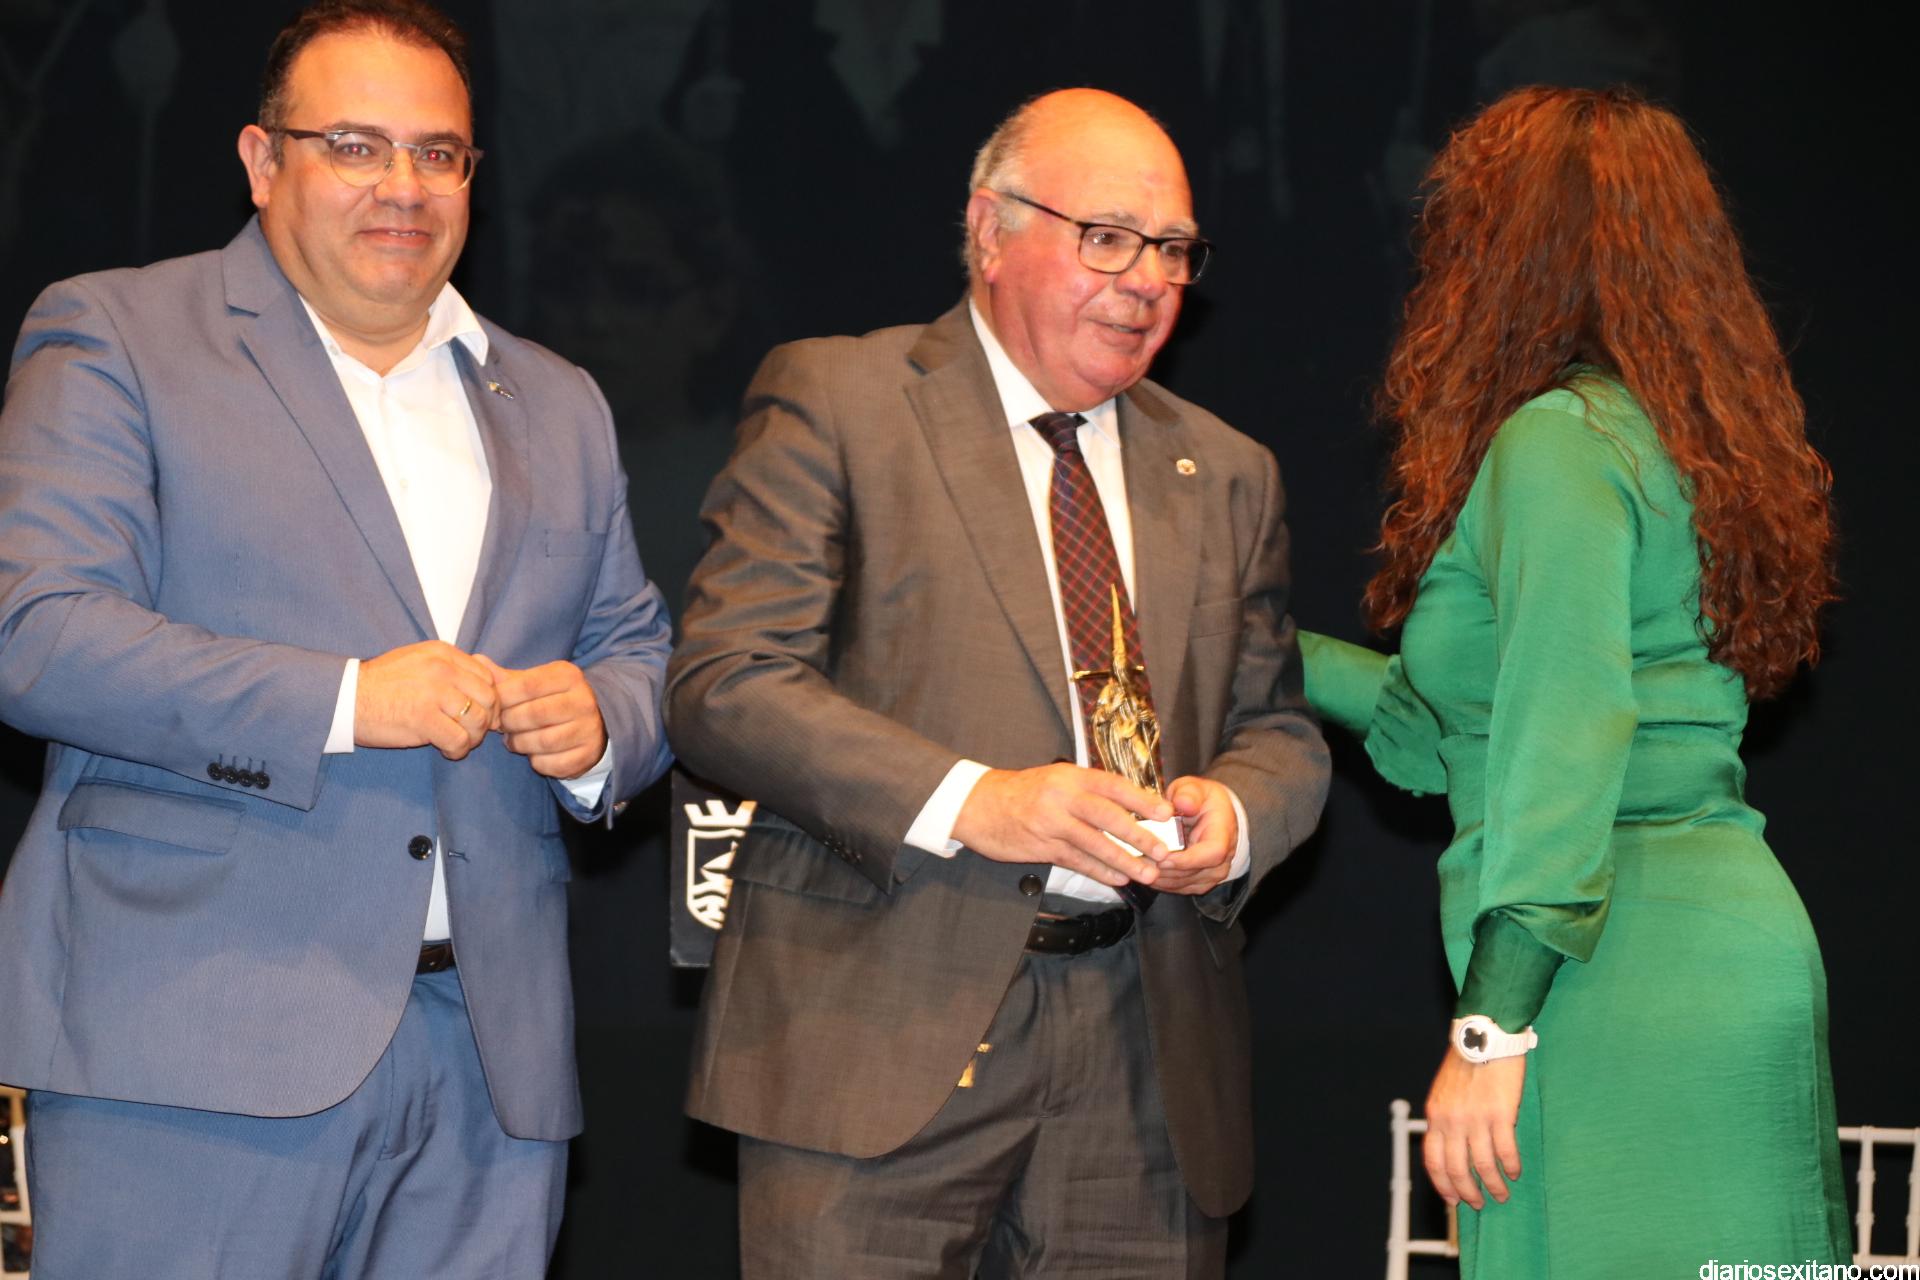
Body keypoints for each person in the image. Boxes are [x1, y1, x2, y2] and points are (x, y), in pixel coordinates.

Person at [0, 2, 673, 1276]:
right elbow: (37, 633)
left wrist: (602, 727)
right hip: (194, 1035)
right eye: (356, 146)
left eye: (438, 153)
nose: (402, 186)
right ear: (263, 162)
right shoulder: (118, 334)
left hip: (492, 1060)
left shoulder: (558, 399)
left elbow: (636, 648)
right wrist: (349, 698)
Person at [666, 88, 1329, 1278]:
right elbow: (728, 679)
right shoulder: (841, 398)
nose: (1147, 280)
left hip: (1145, 1058)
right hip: (875, 1031)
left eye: (1173, 249)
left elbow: (1277, 727)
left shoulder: (1229, 470)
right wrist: (979, 799)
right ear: (990, 230)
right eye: (1108, 238)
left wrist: (1233, 816)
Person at [1300, 86, 1849, 1274]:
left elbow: (1567, 732)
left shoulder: (1557, 441)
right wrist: (1254, 651)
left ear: (1510, 250)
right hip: (1717, 949)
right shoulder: (1659, 438)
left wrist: (1492, 1027)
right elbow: (1461, 724)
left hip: (1611, 975)